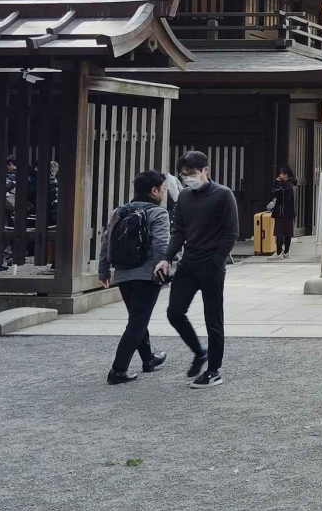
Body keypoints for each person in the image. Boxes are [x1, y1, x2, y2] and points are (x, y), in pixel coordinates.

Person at [155, 151, 238, 389]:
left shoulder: (223, 194)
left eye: (192, 173)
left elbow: (231, 233)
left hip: (212, 265)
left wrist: (217, 262)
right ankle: (199, 352)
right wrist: (166, 258)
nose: (188, 178)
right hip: (188, 263)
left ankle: (214, 371)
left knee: (213, 320)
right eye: (184, 174)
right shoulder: (184, 196)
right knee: (174, 312)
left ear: (205, 171)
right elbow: (179, 231)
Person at [98, 170, 170, 384]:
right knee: (138, 321)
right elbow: (161, 244)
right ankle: (118, 370)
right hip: (147, 274)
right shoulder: (158, 213)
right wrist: (163, 270)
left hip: (123, 274)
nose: (164, 193)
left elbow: (106, 242)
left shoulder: (120, 211)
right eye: (163, 189)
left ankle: (148, 359)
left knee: (137, 318)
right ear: (154, 191)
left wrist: (103, 271)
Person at [268, 166, 298, 260]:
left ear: (286, 175)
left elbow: (274, 193)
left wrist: (276, 183)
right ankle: (286, 252)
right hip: (291, 213)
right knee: (288, 233)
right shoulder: (293, 186)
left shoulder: (283, 187)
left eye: (281, 173)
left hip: (282, 213)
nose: (280, 175)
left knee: (279, 233)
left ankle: (279, 253)